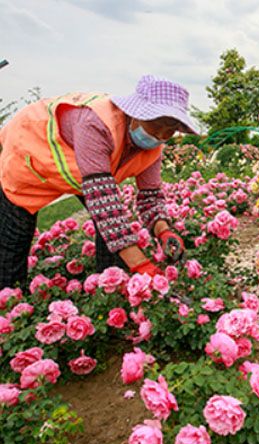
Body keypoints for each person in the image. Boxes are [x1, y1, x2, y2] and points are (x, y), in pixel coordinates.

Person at [0, 74, 197, 291]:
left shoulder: (154, 146)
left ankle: (109, 289)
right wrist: (142, 266)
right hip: (30, 160)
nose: (160, 134)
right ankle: (9, 309)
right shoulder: (95, 123)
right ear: (136, 113)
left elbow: (150, 197)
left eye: (169, 129)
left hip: (86, 172)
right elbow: (104, 203)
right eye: (155, 124)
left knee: (112, 234)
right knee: (13, 243)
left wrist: (164, 231)